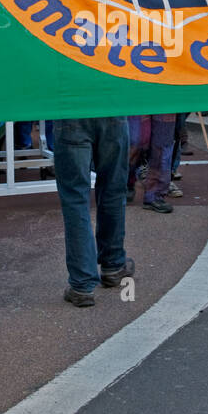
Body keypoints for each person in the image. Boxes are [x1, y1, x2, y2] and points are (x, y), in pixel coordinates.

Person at [52, 115, 132, 308]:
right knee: (113, 191)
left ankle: (82, 284)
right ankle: (113, 264)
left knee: (75, 198)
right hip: (112, 105)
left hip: (70, 109)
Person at [129, 113, 177, 212]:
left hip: (166, 101)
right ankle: (125, 181)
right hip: (135, 100)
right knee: (135, 141)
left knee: (162, 146)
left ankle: (154, 195)